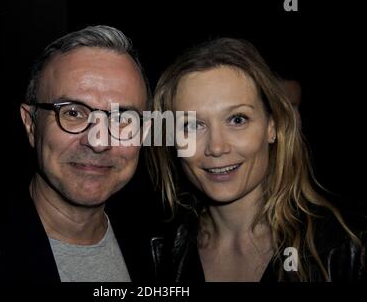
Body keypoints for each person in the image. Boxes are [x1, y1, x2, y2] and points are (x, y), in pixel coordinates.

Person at [149, 37, 366, 282]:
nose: (217, 147)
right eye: (192, 125)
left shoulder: (346, 248)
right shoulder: (157, 252)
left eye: (237, 120)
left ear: (272, 126)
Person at [0, 25, 155, 281]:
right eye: (73, 113)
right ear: (31, 124)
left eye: (122, 118)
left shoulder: (161, 247)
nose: (99, 142)